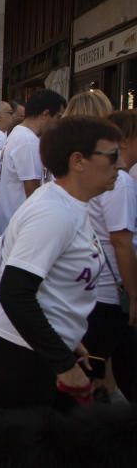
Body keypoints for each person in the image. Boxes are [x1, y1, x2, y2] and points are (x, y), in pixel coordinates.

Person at [0, 116, 121, 411]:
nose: (118, 165)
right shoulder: (54, 213)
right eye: (111, 156)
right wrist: (63, 363)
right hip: (24, 356)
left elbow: (57, 288)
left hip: (41, 351)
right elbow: (15, 292)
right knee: (31, 453)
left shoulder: (70, 205)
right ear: (78, 161)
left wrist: (69, 341)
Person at [83, 109, 137, 402]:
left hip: (96, 286)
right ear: (125, 140)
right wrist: (134, 294)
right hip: (108, 291)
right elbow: (121, 240)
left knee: (101, 367)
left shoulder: (106, 177)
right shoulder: (121, 182)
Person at [0, 89, 66, 237]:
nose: (58, 123)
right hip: (20, 225)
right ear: (45, 114)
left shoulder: (19, 133)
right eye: (58, 117)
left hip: (12, 222)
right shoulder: (27, 141)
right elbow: (32, 190)